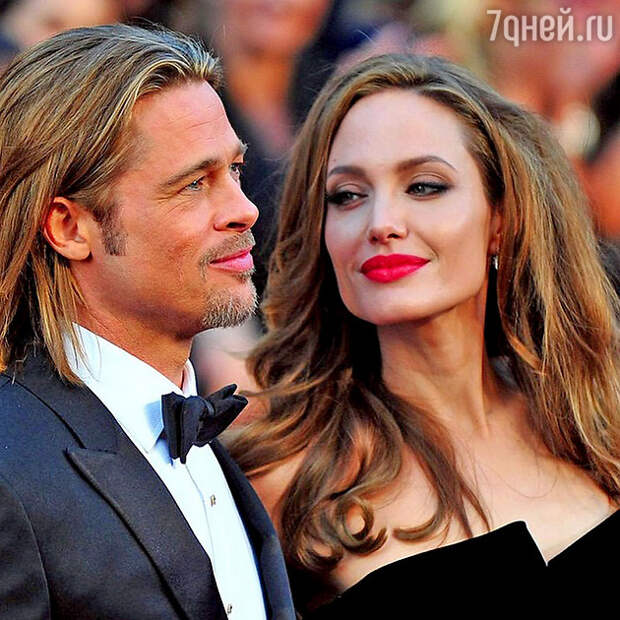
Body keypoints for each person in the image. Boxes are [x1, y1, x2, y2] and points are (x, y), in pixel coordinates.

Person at [227, 54, 620, 617]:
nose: (382, 222)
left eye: (424, 186)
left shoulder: (595, 416)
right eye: (348, 195)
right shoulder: (281, 479)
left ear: (501, 219)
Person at [0, 24, 295, 619]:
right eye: (194, 184)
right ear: (70, 228)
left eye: (236, 171)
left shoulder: (215, 449)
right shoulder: (10, 467)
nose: (244, 209)